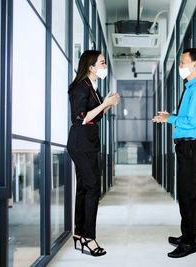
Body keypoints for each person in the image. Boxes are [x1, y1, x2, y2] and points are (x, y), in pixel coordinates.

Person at [152, 48, 196, 258]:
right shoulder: (190, 88)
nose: (180, 66)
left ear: (195, 64)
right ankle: (190, 235)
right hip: (187, 147)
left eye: (183, 62)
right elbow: (186, 117)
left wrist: (170, 119)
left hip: (191, 147)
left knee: (187, 195)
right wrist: (171, 115)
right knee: (189, 193)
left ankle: (188, 243)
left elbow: (191, 122)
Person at [67, 50, 120, 257]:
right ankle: (89, 237)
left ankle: (80, 233)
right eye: (102, 63)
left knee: (84, 188)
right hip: (80, 144)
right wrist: (104, 104)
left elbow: (93, 118)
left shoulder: (92, 87)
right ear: (91, 66)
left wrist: (106, 105)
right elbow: (80, 118)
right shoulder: (80, 87)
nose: (104, 66)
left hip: (87, 144)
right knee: (92, 189)